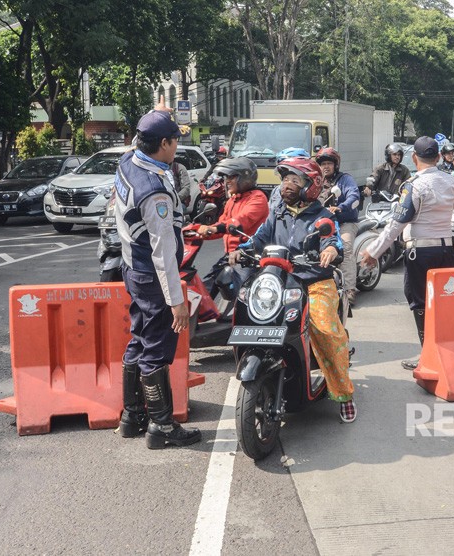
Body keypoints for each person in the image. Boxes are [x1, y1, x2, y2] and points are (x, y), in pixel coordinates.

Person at [230, 157, 357, 423]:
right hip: (279, 282)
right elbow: (258, 240)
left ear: (310, 186)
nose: (286, 185)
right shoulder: (278, 214)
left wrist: (332, 249)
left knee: (325, 329)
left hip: (314, 283)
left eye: (294, 180)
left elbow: (331, 240)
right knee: (245, 308)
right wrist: (241, 252)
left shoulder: (323, 217)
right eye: (285, 179)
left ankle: (344, 394)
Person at [360, 137, 454, 370]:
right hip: (446, 251)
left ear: (413, 158)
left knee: (420, 302)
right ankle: (449, 353)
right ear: (439, 157)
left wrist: (373, 252)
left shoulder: (413, 186)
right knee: (444, 301)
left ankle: (429, 357)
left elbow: (396, 225)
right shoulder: (449, 180)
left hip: (420, 253)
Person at [114, 109, 201, 449]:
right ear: (163, 143)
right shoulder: (155, 193)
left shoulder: (128, 164)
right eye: (176, 140)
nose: (178, 145)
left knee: (139, 338)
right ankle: (161, 427)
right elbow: (163, 253)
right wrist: (176, 302)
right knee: (156, 350)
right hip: (151, 275)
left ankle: (132, 416)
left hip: (132, 267)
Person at [196, 157, 268, 299]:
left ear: (246, 177)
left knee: (240, 296)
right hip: (230, 256)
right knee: (206, 286)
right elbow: (222, 224)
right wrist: (199, 231)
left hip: (248, 256)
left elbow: (240, 221)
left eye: (232, 177)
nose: (227, 181)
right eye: (226, 177)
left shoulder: (258, 198)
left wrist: (217, 228)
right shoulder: (232, 200)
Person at [315, 147, 362, 305]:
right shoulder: (316, 181)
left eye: (329, 163)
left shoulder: (344, 179)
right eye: (323, 164)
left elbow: (355, 196)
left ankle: (349, 289)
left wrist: (342, 207)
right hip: (322, 223)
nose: (325, 167)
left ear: (335, 165)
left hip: (344, 222)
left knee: (346, 248)